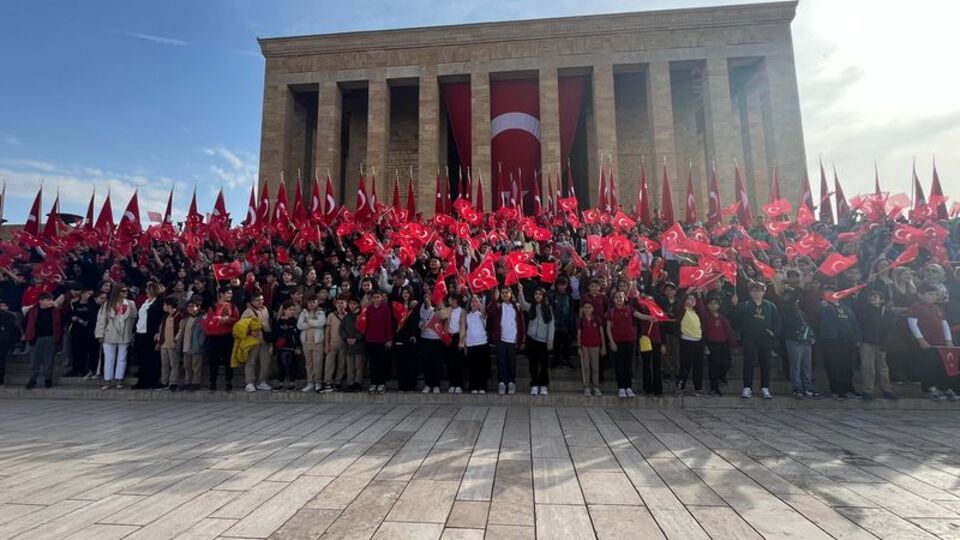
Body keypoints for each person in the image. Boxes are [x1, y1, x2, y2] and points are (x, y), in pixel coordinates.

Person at [907, 282, 956, 400]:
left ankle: (943, 387)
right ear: (920, 295)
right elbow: (912, 324)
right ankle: (929, 387)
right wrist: (921, 339)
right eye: (930, 294)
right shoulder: (916, 307)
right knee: (928, 365)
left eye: (935, 294)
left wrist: (948, 340)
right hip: (928, 343)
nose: (933, 297)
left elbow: (944, 324)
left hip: (940, 343)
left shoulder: (938, 309)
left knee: (941, 366)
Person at [733, 282, 780, 399]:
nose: (756, 293)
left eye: (759, 290)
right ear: (750, 292)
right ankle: (747, 387)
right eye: (753, 291)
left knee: (766, 363)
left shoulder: (770, 306)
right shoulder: (744, 305)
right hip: (750, 338)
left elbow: (777, 321)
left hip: (765, 339)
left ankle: (765, 387)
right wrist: (734, 305)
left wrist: (774, 333)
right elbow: (735, 320)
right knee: (748, 362)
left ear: (763, 292)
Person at [818, 286, 861, 400]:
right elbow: (821, 314)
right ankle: (837, 390)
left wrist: (857, 337)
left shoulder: (846, 308)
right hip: (831, 341)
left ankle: (849, 388)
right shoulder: (824, 306)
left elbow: (854, 323)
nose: (831, 294)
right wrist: (825, 303)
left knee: (847, 367)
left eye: (833, 292)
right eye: (827, 292)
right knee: (834, 366)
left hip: (847, 341)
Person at [856, 288, 897, 400]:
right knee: (867, 366)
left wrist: (886, 342)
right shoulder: (865, 310)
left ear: (882, 300)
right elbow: (860, 322)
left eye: (875, 297)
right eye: (870, 297)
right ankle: (868, 390)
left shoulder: (888, 313)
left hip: (882, 343)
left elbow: (891, 329)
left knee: (883, 367)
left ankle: (887, 390)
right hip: (867, 342)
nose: (872, 299)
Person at [95, 284, 137, 391]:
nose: (126, 293)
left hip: (124, 333)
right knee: (109, 358)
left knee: (122, 357)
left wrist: (131, 331)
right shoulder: (108, 304)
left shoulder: (130, 303)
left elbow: (134, 317)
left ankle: (119, 379)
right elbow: (101, 320)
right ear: (117, 292)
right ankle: (107, 379)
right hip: (110, 333)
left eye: (126, 291)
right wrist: (100, 334)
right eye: (123, 291)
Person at [780, 287, 819, 399]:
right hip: (793, 340)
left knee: (807, 366)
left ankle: (807, 388)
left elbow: (807, 324)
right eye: (788, 295)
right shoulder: (785, 307)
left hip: (805, 340)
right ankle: (797, 389)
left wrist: (811, 336)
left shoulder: (800, 310)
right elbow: (792, 299)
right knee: (796, 366)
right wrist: (800, 285)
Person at [487, 287, 525, 395]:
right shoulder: (498, 306)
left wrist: (522, 340)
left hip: (512, 340)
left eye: (506, 292)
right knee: (501, 363)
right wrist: (494, 299)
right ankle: (502, 383)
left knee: (512, 363)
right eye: (502, 293)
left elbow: (521, 323)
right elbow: (489, 311)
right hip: (501, 340)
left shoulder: (516, 307)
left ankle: (511, 382)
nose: (504, 294)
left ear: (511, 294)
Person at [519, 287, 555, 396]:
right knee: (533, 364)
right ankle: (534, 384)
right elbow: (522, 304)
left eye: (540, 294)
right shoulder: (531, 306)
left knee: (543, 364)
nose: (538, 296)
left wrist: (550, 340)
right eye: (536, 294)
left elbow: (551, 325)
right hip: (532, 339)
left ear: (543, 296)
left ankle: (543, 385)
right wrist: (520, 291)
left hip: (543, 340)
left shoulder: (548, 308)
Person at [23, 293, 62, 389]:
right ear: (41, 301)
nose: (50, 302)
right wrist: (27, 334)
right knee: (34, 360)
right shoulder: (32, 311)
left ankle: (48, 379)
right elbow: (25, 323)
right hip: (35, 338)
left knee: (48, 360)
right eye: (48, 300)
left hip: (50, 338)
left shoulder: (55, 311)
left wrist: (57, 307)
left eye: (51, 300)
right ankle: (33, 379)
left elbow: (63, 319)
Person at [205, 287, 240, 392]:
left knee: (228, 361)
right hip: (214, 337)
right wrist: (218, 320)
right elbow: (209, 321)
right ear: (221, 294)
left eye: (231, 293)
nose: (230, 295)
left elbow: (237, 319)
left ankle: (228, 382)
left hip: (227, 337)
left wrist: (228, 320)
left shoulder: (233, 306)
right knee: (213, 361)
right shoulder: (212, 307)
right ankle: (213, 382)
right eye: (228, 293)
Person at [133, 282, 165, 389]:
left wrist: (158, 332)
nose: (147, 292)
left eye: (149, 290)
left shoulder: (160, 303)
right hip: (141, 333)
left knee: (151, 359)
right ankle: (142, 381)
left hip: (151, 334)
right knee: (142, 359)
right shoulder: (146, 302)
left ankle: (151, 381)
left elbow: (161, 319)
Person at [607, 291, 637, 399]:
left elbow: (640, 315)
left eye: (621, 297)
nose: (619, 299)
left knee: (628, 365)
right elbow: (608, 329)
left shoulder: (629, 309)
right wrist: (612, 342)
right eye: (616, 297)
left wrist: (650, 317)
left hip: (629, 340)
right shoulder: (611, 311)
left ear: (624, 298)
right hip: (617, 341)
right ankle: (621, 387)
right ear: (613, 300)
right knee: (619, 365)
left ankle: (628, 387)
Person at [241, 293, 274, 392]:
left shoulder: (265, 309)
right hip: (252, 340)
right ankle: (249, 382)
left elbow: (268, 324)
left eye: (262, 299)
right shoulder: (248, 312)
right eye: (258, 300)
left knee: (265, 362)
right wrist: (250, 331)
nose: (260, 302)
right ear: (252, 302)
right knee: (251, 361)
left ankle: (262, 382)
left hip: (265, 339)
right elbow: (242, 326)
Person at [364, 290, 394, 394]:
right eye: (374, 297)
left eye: (378, 297)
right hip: (371, 339)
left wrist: (389, 339)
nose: (376, 299)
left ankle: (381, 383)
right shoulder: (369, 309)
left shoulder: (385, 308)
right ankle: (373, 383)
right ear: (371, 299)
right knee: (373, 364)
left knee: (381, 363)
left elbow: (389, 324)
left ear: (382, 298)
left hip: (382, 340)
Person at [676, 293, 704, 396]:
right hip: (687, 341)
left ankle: (698, 388)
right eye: (689, 299)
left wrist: (699, 297)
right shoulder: (683, 311)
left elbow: (702, 311)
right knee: (685, 366)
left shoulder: (696, 312)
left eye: (693, 299)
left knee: (698, 366)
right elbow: (679, 305)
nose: (691, 301)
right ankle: (680, 387)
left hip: (698, 341)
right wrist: (686, 293)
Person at [393, 287, 421, 392]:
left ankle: (411, 386)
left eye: (407, 293)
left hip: (411, 338)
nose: (405, 295)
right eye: (403, 293)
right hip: (400, 336)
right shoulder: (397, 305)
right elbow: (395, 321)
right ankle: (402, 386)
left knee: (411, 363)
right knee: (401, 363)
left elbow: (416, 321)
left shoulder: (415, 306)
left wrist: (414, 335)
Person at [65, 287, 97, 378]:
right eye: (88, 294)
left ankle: (84, 369)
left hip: (88, 331)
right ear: (82, 294)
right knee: (75, 350)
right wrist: (73, 318)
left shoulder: (92, 305)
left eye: (91, 294)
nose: (90, 296)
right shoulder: (74, 304)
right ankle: (75, 368)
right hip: (76, 331)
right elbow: (68, 315)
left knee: (86, 351)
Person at [461, 295, 489, 394]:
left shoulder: (481, 314)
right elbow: (465, 330)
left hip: (481, 343)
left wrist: (479, 301)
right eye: (472, 301)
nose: (473, 303)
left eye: (476, 301)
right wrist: (465, 345)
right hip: (470, 344)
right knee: (472, 367)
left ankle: (482, 386)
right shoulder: (467, 316)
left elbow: (483, 312)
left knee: (482, 367)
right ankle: (473, 386)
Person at [298, 294, 327, 392]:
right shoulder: (304, 312)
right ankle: (310, 383)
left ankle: (318, 382)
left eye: (314, 302)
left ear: (317, 302)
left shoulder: (321, 312)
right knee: (308, 363)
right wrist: (312, 323)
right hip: (306, 342)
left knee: (318, 363)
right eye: (310, 302)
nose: (312, 304)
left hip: (317, 342)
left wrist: (308, 321)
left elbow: (320, 323)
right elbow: (299, 325)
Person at [176, 300, 205, 391]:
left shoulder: (202, 319)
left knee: (196, 366)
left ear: (198, 307)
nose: (190, 308)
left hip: (196, 346)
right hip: (186, 346)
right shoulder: (185, 320)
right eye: (189, 306)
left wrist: (200, 343)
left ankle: (196, 383)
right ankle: (188, 382)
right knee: (187, 366)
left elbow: (203, 334)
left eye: (193, 306)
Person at [577, 301, 604, 396]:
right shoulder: (581, 320)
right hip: (585, 346)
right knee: (586, 367)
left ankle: (596, 386)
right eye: (585, 307)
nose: (587, 309)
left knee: (595, 366)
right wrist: (579, 347)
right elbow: (579, 334)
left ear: (592, 309)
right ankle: (587, 386)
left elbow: (601, 333)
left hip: (595, 346)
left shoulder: (597, 319)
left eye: (589, 307)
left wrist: (603, 346)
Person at [273, 300, 300, 391]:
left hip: (292, 347)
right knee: (281, 365)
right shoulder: (279, 321)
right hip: (281, 347)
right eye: (290, 309)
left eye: (293, 310)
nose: (292, 311)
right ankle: (280, 383)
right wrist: (273, 346)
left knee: (292, 365)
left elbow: (297, 335)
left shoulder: (294, 321)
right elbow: (275, 335)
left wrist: (298, 347)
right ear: (284, 310)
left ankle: (292, 383)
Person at [156, 297, 181, 391]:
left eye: (165, 305)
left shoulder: (178, 316)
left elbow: (180, 330)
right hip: (164, 344)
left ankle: (173, 382)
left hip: (173, 345)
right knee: (164, 364)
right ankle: (164, 381)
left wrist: (176, 340)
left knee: (174, 364)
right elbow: (161, 329)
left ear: (170, 305)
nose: (163, 307)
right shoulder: (165, 316)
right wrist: (159, 342)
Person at [340, 295, 364, 392]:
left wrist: (356, 338)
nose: (352, 306)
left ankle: (358, 383)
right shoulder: (346, 317)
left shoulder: (362, 315)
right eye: (351, 304)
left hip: (358, 345)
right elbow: (342, 329)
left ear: (358, 305)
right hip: (348, 345)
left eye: (354, 304)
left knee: (358, 366)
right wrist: (346, 338)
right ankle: (350, 383)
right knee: (350, 366)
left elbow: (363, 329)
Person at [323, 296, 348, 392]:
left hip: (344, 343)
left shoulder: (348, 316)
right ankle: (327, 382)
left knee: (342, 363)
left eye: (342, 303)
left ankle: (338, 382)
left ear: (346, 304)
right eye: (338, 303)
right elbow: (327, 331)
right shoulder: (331, 315)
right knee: (329, 363)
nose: (340, 305)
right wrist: (326, 344)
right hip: (332, 342)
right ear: (335, 304)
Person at [443, 294, 466, 394]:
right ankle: (452, 384)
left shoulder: (462, 310)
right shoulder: (448, 309)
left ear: (455, 300)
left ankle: (459, 385)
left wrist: (461, 342)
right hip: (449, 337)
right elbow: (441, 316)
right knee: (450, 362)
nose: (449, 301)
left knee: (459, 363)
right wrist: (440, 306)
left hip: (457, 337)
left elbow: (463, 326)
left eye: (450, 299)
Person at [0, 300, 21, 387]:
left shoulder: (9, 316)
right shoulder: (10, 315)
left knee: (1, 361)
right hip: (5, 341)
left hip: (4, 341)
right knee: (1, 361)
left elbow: (14, 329)